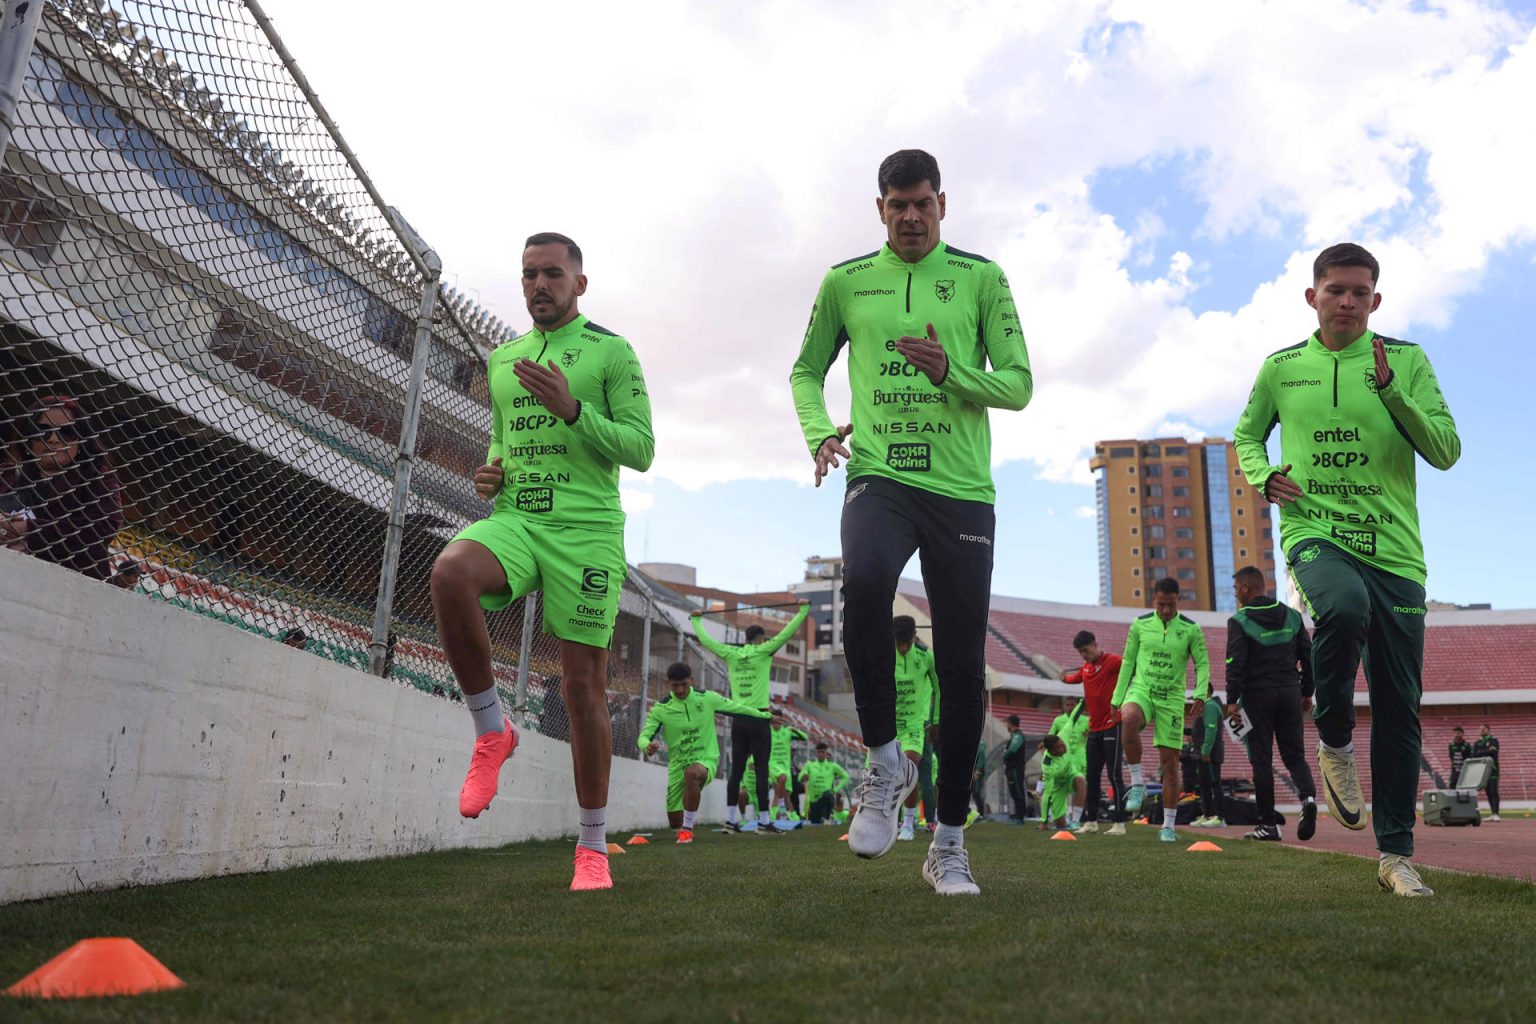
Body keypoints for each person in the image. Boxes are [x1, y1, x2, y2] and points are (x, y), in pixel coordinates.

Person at [789, 148, 1033, 897]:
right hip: (880, 476)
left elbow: (1018, 385)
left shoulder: (982, 279)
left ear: (942, 203)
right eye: (897, 205)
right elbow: (806, 370)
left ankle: (950, 843)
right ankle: (885, 764)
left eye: (922, 202)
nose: (910, 215)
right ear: (880, 208)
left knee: (961, 670)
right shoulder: (845, 281)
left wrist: (948, 372)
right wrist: (819, 431)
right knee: (862, 583)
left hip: (961, 490)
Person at [429, 232, 654, 893]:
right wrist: (489, 474)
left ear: (579, 284)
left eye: (553, 274)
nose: (539, 285)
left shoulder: (611, 352)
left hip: (586, 534)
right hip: (518, 521)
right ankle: (492, 730)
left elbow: (640, 448)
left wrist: (574, 409)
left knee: (583, 687)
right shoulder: (503, 361)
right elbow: (501, 440)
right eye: (529, 275)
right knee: (449, 573)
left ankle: (591, 847)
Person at [1233, 243, 1460, 897]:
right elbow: (1248, 435)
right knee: (1342, 608)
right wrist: (1263, 474)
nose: (1348, 301)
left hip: (1397, 551)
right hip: (1315, 531)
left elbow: (1445, 450)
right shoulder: (1282, 367)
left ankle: (1395, 855)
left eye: (1361, 292)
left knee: (1400, 704)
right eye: (1336, 290)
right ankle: (1332, 733)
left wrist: (1393, 393)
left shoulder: (1407, 361)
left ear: (1376, 301)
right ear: (1313, 297)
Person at [690, 602, 810, 833]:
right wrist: (802, 611)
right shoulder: (763, 650)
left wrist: (696, 620)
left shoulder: (732, 653)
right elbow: (787, 633)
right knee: (762, 769)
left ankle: (731, 820)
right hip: (759, 718)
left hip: (738, 719)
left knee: (737, 771)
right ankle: (764, 821)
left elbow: (706, 641)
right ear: (760, 639)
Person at [1111, 577, 1211, 844]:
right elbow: (1128, 661)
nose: (1165, 610)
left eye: (1170, 604)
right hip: (1142, 689)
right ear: (1153, 600)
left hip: (1172, 699)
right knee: (1128, 716)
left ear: (1179, 600)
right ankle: (1137, 784)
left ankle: (1168, 826)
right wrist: (1117, 698)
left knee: (1170, 764)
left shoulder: (1191, 629)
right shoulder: (1140, 625)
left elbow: (1202, 664)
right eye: (1160, 604)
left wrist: (1200, 693)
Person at [1225, 565, 1319, 842]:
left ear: (1245, 588)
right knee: (1295, 755)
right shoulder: (1292, 615)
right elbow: (1308, 655)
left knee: (1262, 761)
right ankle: (1309, 798)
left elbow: (1235, 663)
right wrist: (1307, 691)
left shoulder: (1239, 620)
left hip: (1257, 696)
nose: (1235, 594)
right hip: (1290, 692)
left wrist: (1231, 701)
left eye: (1235, 589)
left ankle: (1268, 825)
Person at [639, 662, 770, 843]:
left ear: (692, 681)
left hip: (706, 759)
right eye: (675, 685)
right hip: (677, 765)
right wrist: (647, 745)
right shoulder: (661, 709)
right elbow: (644, 736)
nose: (680, 690)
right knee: (674, 820)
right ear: (668, 683)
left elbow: (738, 708)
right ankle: (682, 826)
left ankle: (688, 830)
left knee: (692, 773)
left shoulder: (707, 698)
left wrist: (765, 716)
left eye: (684, 684)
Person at [0, 395, 122, 580]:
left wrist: (29, 530)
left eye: (67, 432)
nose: (54, 440)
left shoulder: (95, 477)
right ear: (29, 440)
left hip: (69, 586)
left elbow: (103, 526)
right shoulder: (7, 475)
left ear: (81, 439)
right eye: (43, 431)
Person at [1063, 630, 1127, 835]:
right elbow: (1074, 679)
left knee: (1114, 775)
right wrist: (1063, 677)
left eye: (1086, 650)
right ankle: (1091, 822)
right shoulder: (1086, 668)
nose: (1084, 655)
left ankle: (1120, 823)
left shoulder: (1113, 661)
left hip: (1113, 724)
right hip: (1094, 729)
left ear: (1095, 644)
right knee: (1092, 776)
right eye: (1081, 652)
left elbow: (1132, 669)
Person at [892, 615, 940, 841]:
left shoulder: (926, 656)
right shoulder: (883, 655)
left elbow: (939, 689)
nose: (902, 647)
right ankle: (884, 822)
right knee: (882, 774)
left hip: (915, 723)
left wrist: (937, 720)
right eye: (898, 642)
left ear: (914, 637)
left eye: (906, 642)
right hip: (889, 724)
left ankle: (908, 824)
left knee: (909, 767)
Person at [1047, 698, 1089, 829]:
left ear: (1076, 705)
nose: (1070, 707)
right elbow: (1050, 738)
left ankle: (1077, 819)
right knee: (1061, 791)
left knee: (1081, 787)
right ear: (1064, 706)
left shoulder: (1086, 720)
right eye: (1068, 704)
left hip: (1080, 760)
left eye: (1073, 704)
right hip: (1062, 762)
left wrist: (1089, 734)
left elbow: (1094, 736)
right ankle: (1061, 817)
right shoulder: (1059, 721)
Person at [768, 707, 809, 821]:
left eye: (778, 720)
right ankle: (779, 809)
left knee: (784, 792)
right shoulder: (767, 731)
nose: (776, 722)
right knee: (781, 780)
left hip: (785, 766)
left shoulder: (787, 732)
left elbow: (805, 737)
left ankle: (786, 813)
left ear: (781, 720)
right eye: (774, 720)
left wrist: (794, 729)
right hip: (773, 764)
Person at [1190, 697, 1225, 827]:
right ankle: (1207, 815)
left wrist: (1206, 751)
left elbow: (1211, 729)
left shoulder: (1210, 706)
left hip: (1210, 754)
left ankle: (1219, 817)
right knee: (1204, 785)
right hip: (1202, 753)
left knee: (1215, 784)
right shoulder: (1205, 708)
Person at [799, 744, 851, 824]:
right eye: (818, 752)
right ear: (815, 753)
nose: (820, 754)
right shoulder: (810, 765)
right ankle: (822, 820)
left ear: (826, 753)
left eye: (823, 752)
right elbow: (800, 777)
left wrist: (835, 790)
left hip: (825, 799)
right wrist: (804, 775)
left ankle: (827, 818)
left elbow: (846, 777)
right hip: (813, 802)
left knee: (828, 794)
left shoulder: (832, 766)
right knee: (815, 823)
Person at [1037, 734, 1077, 830]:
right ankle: (1063, 820)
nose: (1063, 747)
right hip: (1059, 786)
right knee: (1061, 825)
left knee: (1081, 782)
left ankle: (1077, 820)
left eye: (1062, 743)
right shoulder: (1048, 764)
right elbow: (1047, 794)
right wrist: (1043, 821)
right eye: (1059, 747)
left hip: (1072, 777)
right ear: (1052, 751)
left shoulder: (1064, 733)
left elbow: (1072, 719)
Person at [1002, 715, 1029, 822]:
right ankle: (1017, 814)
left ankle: (1020, 816)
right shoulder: (1014, 736)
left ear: (1011, 723)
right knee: (1014, 791)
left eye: (1007, 723)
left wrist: (1004, 755)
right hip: (1011, 769)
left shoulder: (1018, 736)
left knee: (1018, 791)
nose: (1006, 725)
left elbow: (1012, 749)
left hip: (1015, 769)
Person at [1473, 724, 1501, 821]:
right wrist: (1486, 751)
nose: (1481, 730)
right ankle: (1492, 813)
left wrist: (1480, 752)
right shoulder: (1477, 742)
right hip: (1482, 771)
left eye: (1484, 729)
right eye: (1480, 729)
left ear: (1488, 730)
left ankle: (1496, 813)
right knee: (1488, 792)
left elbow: (1493, 752)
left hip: (1492, 770)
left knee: (1493, 791)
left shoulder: (1493, 740)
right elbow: (1474, 755)